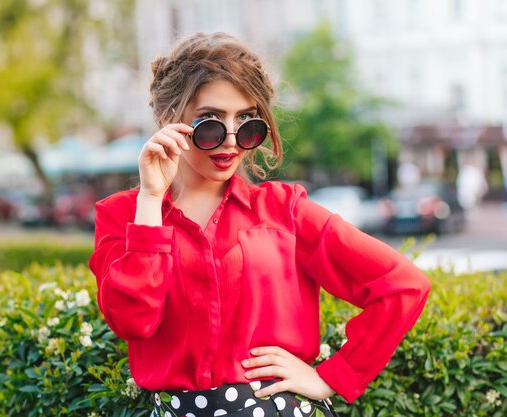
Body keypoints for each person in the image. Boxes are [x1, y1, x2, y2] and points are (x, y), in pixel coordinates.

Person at [89, 32, 430, 417]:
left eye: (247, 121)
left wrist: (334, 377)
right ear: (170, 119)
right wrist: (150, 200)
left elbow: (402, 285)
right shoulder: (124, 216)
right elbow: (134, 320)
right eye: (211, 122)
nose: (231, 141)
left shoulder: (287, 212)